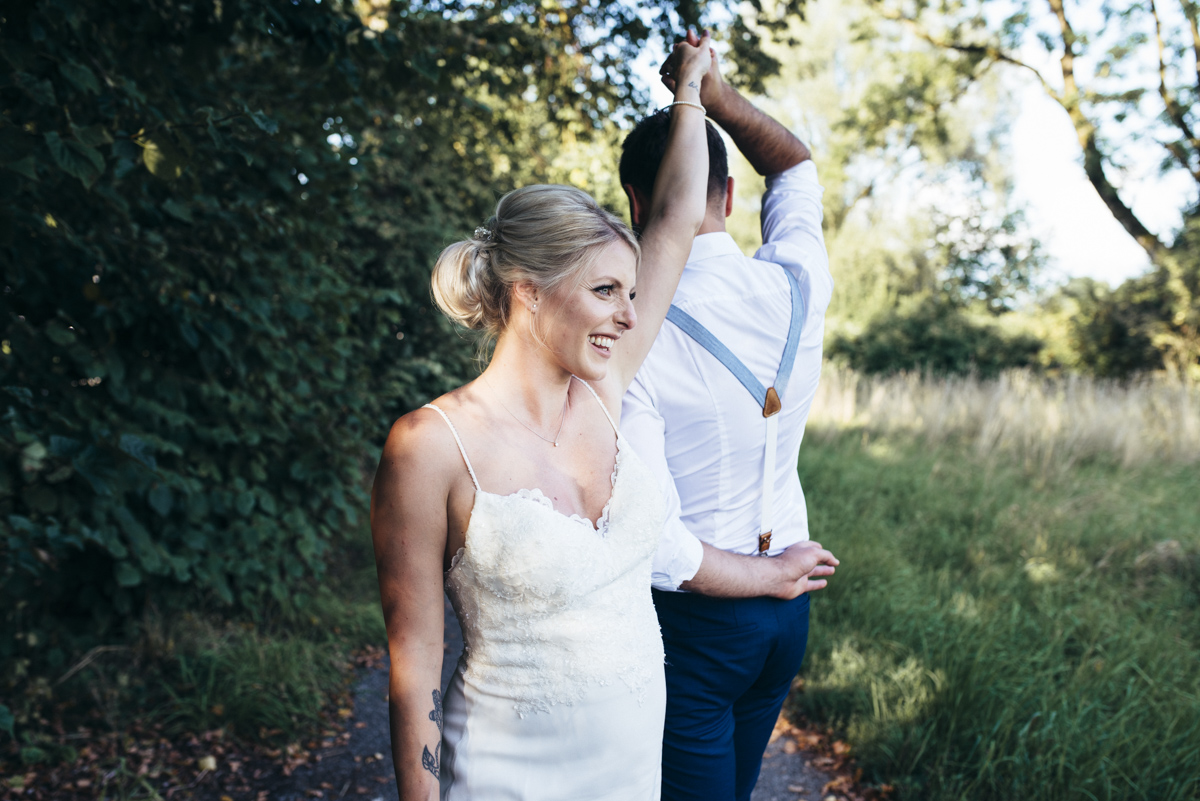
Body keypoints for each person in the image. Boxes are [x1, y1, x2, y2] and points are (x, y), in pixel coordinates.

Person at [370, 35, 714, 801]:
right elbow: (414, 660)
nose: (631, 317)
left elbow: (679, 214)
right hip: (503, 780)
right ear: (527, 291)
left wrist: (692, 91)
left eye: (633, 292)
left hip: (630, 775)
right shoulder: (431, 446)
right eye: (605, 292)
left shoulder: (606, 388)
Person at [619, 31, 838, 801]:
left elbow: (654, 543)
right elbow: (795, 163)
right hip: (789, 620)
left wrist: (763, 575)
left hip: (696, 625)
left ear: (638, 205)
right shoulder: (798, 282)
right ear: (731, 195)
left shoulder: (624, 330)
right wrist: (714, 94)